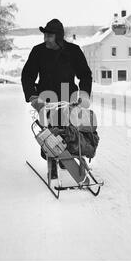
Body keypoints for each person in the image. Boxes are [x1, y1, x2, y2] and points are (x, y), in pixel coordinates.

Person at [21, 18, 93, 179]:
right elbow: (27, 75)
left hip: (69, 99)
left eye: (49, 36)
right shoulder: (38, 51)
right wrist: (33, 97)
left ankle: (65, 159)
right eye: (45, 35)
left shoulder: (74, 51)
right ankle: (51, 162)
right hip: (45, 100)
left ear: (59, 37)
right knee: (50, 132)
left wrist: (83, 95)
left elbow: (85, 75)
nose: (45, 39)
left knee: (69, 132)